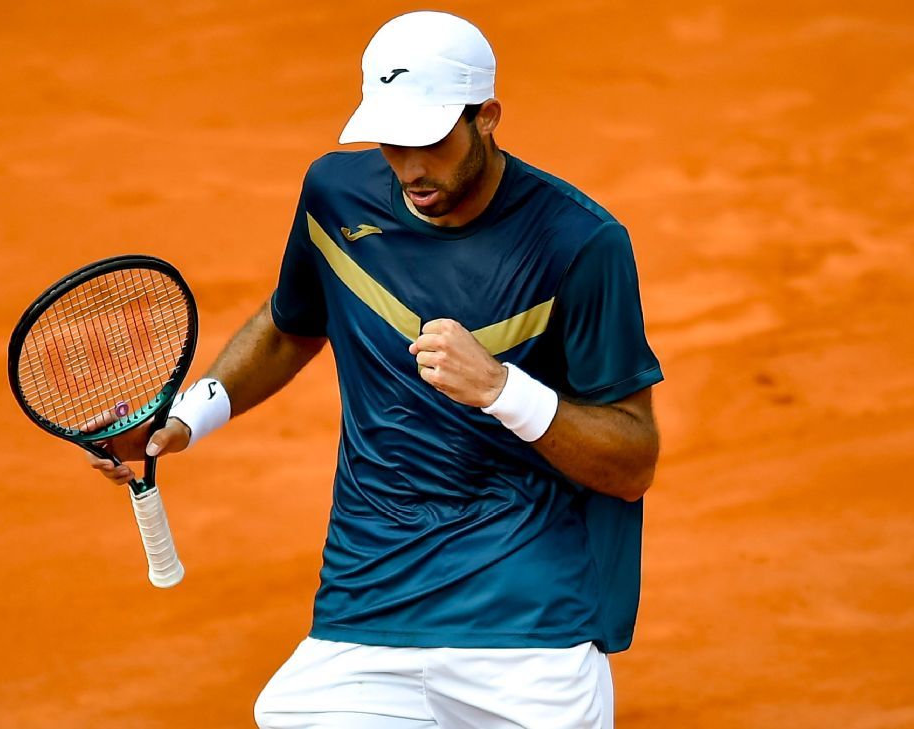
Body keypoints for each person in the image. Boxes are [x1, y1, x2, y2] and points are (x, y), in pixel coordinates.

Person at [89, 10, 662, 728]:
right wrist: (183, 421)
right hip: (366, 606)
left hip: (526, 623)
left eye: (429, 141)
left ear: (486, 118)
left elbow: (632, 460)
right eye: (391, 140)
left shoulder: (580, 243)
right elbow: (288, 324)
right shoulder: (336, 196)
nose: (410, 167)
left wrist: (501, 389)